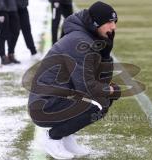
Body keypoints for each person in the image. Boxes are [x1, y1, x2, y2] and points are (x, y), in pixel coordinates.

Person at [28, 1, 121, 159]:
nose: (114, 27)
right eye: (109, 22)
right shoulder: (80, 42)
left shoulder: (89, 37)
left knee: (103, 99)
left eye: (114, 22)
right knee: (99, 104)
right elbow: (87, 86)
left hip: (56, 99)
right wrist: (111, 90)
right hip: (44, 106)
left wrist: (106, 54)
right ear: (95, 23)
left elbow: (99, 81)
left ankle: (66, 136)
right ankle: (52, 138)